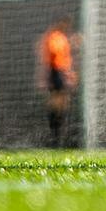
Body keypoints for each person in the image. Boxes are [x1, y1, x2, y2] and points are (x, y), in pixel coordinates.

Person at [40, 17, 78, 145]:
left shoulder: (62, 38)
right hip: (56, 72)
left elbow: (65, 58)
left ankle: (58, 133)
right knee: (57, 101)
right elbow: (54, 57)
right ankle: (55, 134)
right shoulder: (55, 37)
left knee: (62, 102)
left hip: (60, 72)